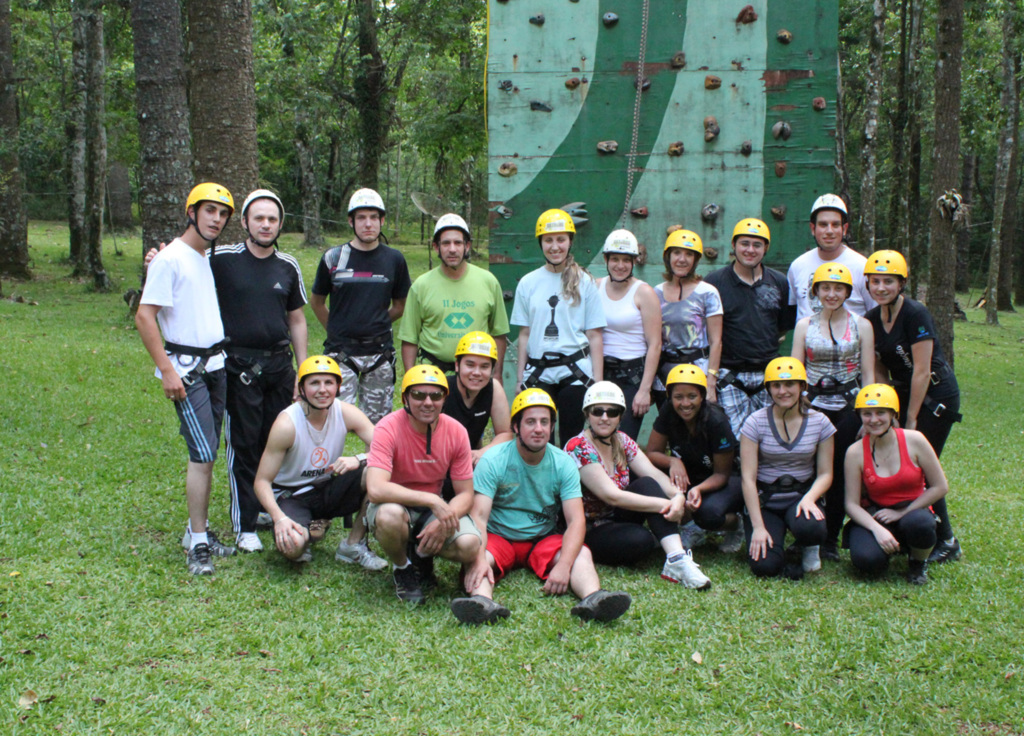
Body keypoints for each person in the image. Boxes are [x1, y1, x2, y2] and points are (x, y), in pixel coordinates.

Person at [146, 189, 310, 553]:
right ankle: (246, 525)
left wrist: (302, 368)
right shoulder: (222, 259)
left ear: (281, 224)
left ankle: (273, 508)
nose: (266, 225)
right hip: (237, 366)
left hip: (280, 366)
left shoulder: (288, 265)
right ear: (246, 222)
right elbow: (184, 266)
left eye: (273, 219)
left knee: (277, 441)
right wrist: (157, 260)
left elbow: (297, 319)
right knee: (244, 443)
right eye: (259, 218)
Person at [450, 389, 632, 624]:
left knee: (581, 553)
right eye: (530, 422)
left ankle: (594, 599)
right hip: (499, 537)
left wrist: (564, 566)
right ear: (516, 427)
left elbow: (576, 520)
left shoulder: (563, 463)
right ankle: (481, 603)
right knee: (478, 555)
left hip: (541, 538)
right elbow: (480, 517)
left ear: (552, 426)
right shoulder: (493, 460)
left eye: (545, 422)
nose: (538, 429)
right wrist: (478, 561)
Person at [135, 182, 237, 575]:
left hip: (215, 366)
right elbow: (145, 316)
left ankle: (199, 530)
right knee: (202, 453)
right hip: (188, 371)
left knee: (208, 449)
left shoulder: (199, 256)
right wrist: (167, 370)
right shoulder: (171, 259)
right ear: (190, 211)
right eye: (209, 210)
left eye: (223, 213)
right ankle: (197, 543)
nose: (216, 219)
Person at [863, 250, 962, 564]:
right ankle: (913, 530)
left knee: (922, 466)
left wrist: (911, 419)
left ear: (901, 283)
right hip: (902, 394)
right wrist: (885, 402)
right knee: (906, 465)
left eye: (888, 282)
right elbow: (879, 370)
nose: (881, 288)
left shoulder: (916, 313)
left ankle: (946, 539)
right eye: (875, 282)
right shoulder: (871, 319)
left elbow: (921, 369)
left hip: (935, 394)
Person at [563, 382, 712, 589]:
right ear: (587, 415)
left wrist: (678, 497)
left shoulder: (622, 441)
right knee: (641, 542)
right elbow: (611, 496)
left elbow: (654, 475)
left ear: (620, 417)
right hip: (589, 529)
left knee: (646, 483)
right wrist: (665, 504)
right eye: (598, 411)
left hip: (618, 516)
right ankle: (668, 548)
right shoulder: (577, 446)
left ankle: (677, 559)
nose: (605, 417)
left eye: (612, 412)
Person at [252, 356, 385, 568]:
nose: (322, 390)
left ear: (338, 387)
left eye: (329, 383)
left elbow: (389, 450)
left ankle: (352, 545)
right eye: (314, 383)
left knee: (375, 472)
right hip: (291, 495)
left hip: (326, 487)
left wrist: (358, 459)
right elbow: (261, 481)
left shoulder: (346, 412)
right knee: (293, 546)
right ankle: (307, 529)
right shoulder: (287, 424)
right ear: (302, 388)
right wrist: (279, 518)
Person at [364, 365, 482, 604]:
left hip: (431, 512)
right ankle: (402, 568)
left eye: (436, 395)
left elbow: (466, 494)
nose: (428, 402)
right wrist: (432, 500)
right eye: (418, 395)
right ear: (405, 398)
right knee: (389, 516)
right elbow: (376, 489)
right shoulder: (387, 427)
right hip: (396, 504)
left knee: (470, 544)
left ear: (444, 399)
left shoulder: (456, 431)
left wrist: (444, 520)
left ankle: (420, 554)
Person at [791, 262, 874, 564]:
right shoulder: (805, 325)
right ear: (816, 291)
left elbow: (868, 374)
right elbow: (796, 370)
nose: (831, 294)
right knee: (811, 470)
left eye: (838, 288)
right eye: (825, 288)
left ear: (847, 292)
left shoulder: (861, 325)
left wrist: (868, 414)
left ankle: (830, 539)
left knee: (841, 473)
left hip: (849, 407)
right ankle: (806, 532)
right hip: (813, 405)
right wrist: (796, 407)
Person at [310, 188, 411, 424]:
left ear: (382, 220)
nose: (368, 224)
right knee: (332, 423)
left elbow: (400, 305)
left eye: (374, 217)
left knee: (378, 428)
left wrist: (376, 322)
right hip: (341, 354)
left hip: (379, 354)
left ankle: (371, 463)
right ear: (351, 221)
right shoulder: (333, 258)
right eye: (362, 217)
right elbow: (317, 302)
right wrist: (336, 328)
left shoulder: (394, 260)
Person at [512, 209, 605, 447]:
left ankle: (571, 483)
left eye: (561, 239)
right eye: (549, 240)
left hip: (575, 373)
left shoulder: (584, 281)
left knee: (571, 439)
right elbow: (525, 334)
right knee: (538, 437)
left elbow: (594, 335)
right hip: (538, 372)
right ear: (541, 243)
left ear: (570, 242)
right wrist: (520, 377)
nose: (555, 246)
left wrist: (598, 381)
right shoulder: (528, 282)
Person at [739, 358, 835, 579]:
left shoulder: (820, 422)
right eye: (776, 385)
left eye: (790, 384)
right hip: (767, 500)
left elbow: (826, 473)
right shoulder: (754, 422)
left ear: (802, 387)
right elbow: (747, 478)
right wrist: (758, 527)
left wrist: (811, 498)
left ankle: (809, 545)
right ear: (769, 389)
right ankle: (770, 535)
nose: (783, 391)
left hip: (800, 497)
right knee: (764, 567)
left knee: (812, 528)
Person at [843, 384, 948, 585]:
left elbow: (940, 486)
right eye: (867, 414)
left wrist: (902, 513)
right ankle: (889, 546)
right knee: (867, 562)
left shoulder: (915, 440)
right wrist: (876, 528)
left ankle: (918, 561)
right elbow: (851, 504)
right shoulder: (855, 452)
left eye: (881, 413)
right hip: (877, 515)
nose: (874, 420)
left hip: (912, 512)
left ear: (893, 414)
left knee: (920, 524)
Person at [705, 218, 796, 439]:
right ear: (734, 245)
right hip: (729, 374)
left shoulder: (779, 282)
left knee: (768, 439)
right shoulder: (714, 283)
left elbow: (783, 327)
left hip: (768, 373)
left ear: (766, 248)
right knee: (733, 441)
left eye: (757, 244)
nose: (750, 250)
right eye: (744, 243)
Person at [646, 364, 745, 555]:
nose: (685, 404)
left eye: (692, 396)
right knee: (649, 480)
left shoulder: (716, 421)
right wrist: (673, 462)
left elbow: (722, 474)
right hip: (689, 472)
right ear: (670, 397)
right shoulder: (668, 411)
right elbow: (652, 452)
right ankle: (689, 526)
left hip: (725, 478)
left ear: (702, 396)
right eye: (678, 397)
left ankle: (736, 524)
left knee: (708, 514)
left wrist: (698, 489)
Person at [399, 214, 509, 377]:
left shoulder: (488, 282)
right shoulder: (421, 286)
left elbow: (499, 334)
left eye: (458, 243)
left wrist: (497, 375)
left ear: (467, 246)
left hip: (475, 375)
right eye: (446, 243)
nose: (452, 249)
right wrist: (410, 380)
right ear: (436, 247)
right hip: (434, 373)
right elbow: (409, 339)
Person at [595, 229, 662, 440]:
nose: (620, 265)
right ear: (606, 259)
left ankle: (624, 475)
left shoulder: (644, 293)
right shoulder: (595, 287)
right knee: (599, 436)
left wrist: (644, 390)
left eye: (626, 259)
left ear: (634, 261)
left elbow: (655, 344)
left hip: (633, 374)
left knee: (624, 439)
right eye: (615, 259)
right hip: (602, 371)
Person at [654, 229, 723, 407]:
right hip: (665, 374)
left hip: (697, 372)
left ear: (695, 260)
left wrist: (711, 381)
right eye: (677, 253)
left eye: (689, 254)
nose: (682, 259)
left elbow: (716, 341)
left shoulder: (707, 292)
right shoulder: (656, 293)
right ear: (668, 257)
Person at [787, 194, 875, 320]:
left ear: (844, 228)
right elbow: (792, 310)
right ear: (813, 228)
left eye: (835, 225)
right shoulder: (797, 266)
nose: (829, 231)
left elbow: (875, 313)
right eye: (823, 224)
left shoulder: (862, 267)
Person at [442, 331, 514, 469]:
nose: (476, 372)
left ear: (492, 369)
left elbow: (506, 434)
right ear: (457, 365)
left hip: (471, 460)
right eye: (470, 365)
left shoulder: (494, 388)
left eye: (484, 366)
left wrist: (483, 452)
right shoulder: (442, 389)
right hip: (439, 460)